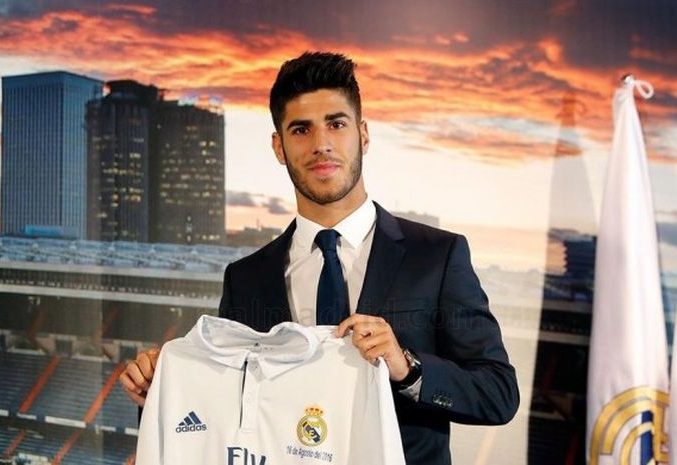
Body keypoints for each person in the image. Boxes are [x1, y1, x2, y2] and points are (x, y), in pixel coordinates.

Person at [119, 51, 519, 465]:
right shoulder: (247, 277)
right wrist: (158, 389)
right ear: (279, 146)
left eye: (336, 124)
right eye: (300, 129)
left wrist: (407, 367)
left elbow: (499, 394)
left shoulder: (437, 256)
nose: (321, 144)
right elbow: (232, 403)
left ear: (363, 134)